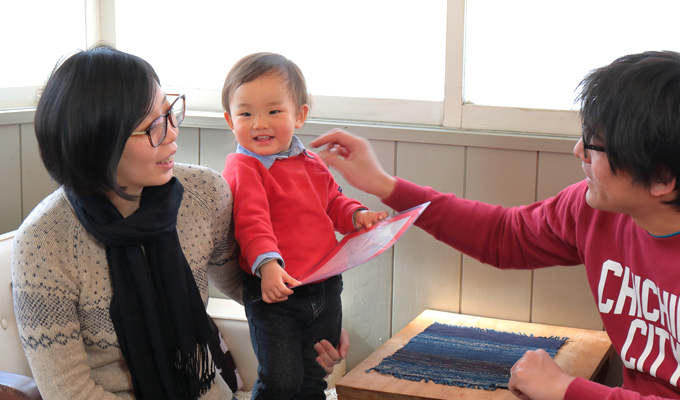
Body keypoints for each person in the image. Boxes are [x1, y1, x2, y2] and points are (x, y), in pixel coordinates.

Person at [310, 50, 680, 400]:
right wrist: (384, 185)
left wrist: (566, 390)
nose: (578, 151)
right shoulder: (593, 210)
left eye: (595, 144)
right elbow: (505, 235)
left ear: (662, 179)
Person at [10, 45, 344, 400]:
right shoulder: (44, 242)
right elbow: (68, 391)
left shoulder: (204, 195)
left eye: (170, 113)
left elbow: (248, 287)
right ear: (98, 139)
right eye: (152, 126)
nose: (172, 134)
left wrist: (317, 322)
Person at [220, 52, 387, 400]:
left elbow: (334, 201)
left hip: (325, 288)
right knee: (281, 381)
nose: (260, 123)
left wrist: (357, 216)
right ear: (229, 120)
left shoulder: (310, 162)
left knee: (314, 377)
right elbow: (252, 222)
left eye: (273, 111)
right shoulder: (244, 166)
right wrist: (268, 265)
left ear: (300, 116)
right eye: (246, 113)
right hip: (275, 293)